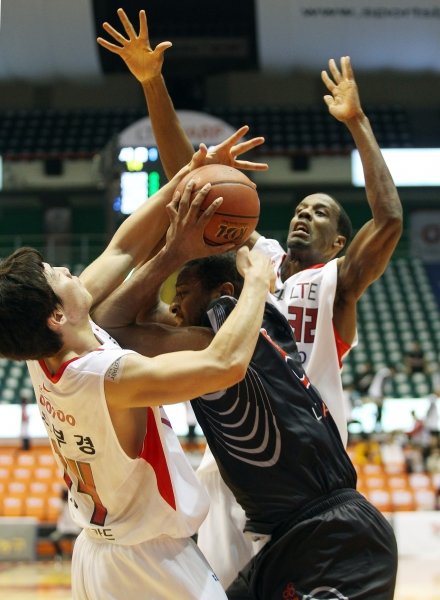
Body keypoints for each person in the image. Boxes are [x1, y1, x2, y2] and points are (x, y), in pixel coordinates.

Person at [97, 8, 403, 589]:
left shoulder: (333, 284)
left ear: (338, 241)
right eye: (298, 208)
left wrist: (358, 121)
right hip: (235, 467)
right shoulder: (249, 262)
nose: (302, 215)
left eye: (319, 212)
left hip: (310, 476)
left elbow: (388, 219)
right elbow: (193, 186)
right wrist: (152, 82)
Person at [0, 154, 276, 599]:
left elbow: (123, 249)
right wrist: (258, 282)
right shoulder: (106, 376)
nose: (68, 269)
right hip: (149, 561)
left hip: (98, 553)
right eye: (57, 274)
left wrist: (185, 177)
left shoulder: (43, 351)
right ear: (56, 314)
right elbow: (225, 364)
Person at [94, 249, 398, 599]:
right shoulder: (262, 321)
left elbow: (113, 326)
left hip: (337, 539)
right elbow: (139, 319)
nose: (173, 307)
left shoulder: (215, 342)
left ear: (221, 296)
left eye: (183, 294)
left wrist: (173, 249)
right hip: (293, 537)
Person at [49, 487, 81, 560]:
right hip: (63, 530)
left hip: (74, 529)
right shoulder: (61, 504)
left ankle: (76, 557)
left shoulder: (73, 502)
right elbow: (58, 510)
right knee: (54, 538)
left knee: (80, 541)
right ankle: (60, 554)